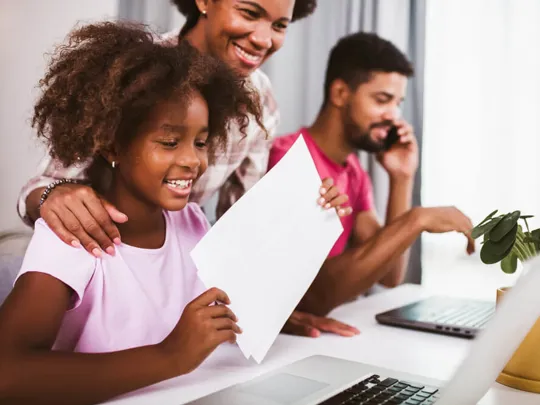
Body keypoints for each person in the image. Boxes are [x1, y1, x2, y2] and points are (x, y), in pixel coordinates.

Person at [15, 0, 357, 339]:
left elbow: (239, 226)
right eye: (250, 13)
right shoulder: (133, 71)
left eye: (280, 25)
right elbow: (41, 186)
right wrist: (52, 194)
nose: (264, 39)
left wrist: (302, 217)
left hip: (174, 281)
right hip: (101, 272)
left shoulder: (260, 100)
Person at [268, 32, 476, 316]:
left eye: (398, 103)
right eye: (382, 99)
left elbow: (389, 276)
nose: (394, 114)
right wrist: (418, 219)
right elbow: (312, 296)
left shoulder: (354, 173)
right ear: (340, 93)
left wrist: (402, 177)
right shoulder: (287, 159)